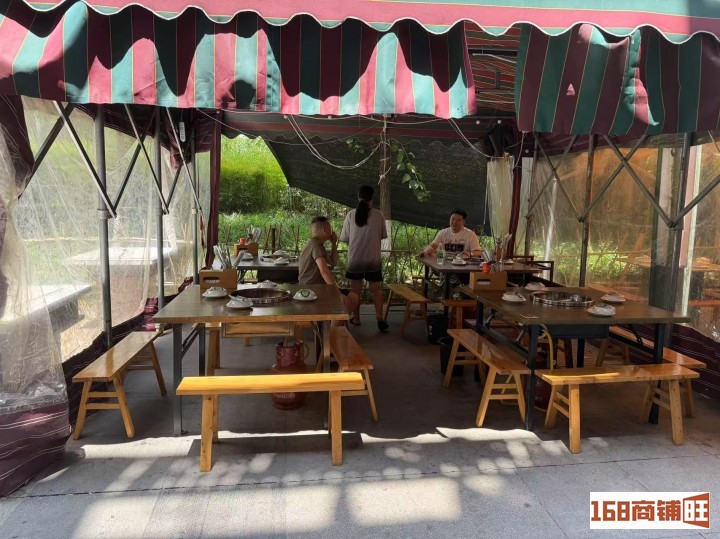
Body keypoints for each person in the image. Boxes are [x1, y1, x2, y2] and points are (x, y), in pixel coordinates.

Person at [339, 185, 389, 331]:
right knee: (376, 290)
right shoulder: (379, 215)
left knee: (355, 292)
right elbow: (382, 236)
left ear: (358, 197)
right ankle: (380, 318)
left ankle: (357, 319)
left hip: (355, 259)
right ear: (372, 198)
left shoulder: (350, 215)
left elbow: (345, 238)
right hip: (373, 259)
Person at [298, 216, 359, 321]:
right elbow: (324, 271)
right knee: (351, 298)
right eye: (330, 227)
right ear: (324, 230)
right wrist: (337, 293)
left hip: (316, 287)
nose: (331, 230)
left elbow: (333, 262)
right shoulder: (316, 246)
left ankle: (334, 325)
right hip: (314, 289)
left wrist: (333, 244)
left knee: (352, 297)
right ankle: (333, 327)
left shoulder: (315, 243)